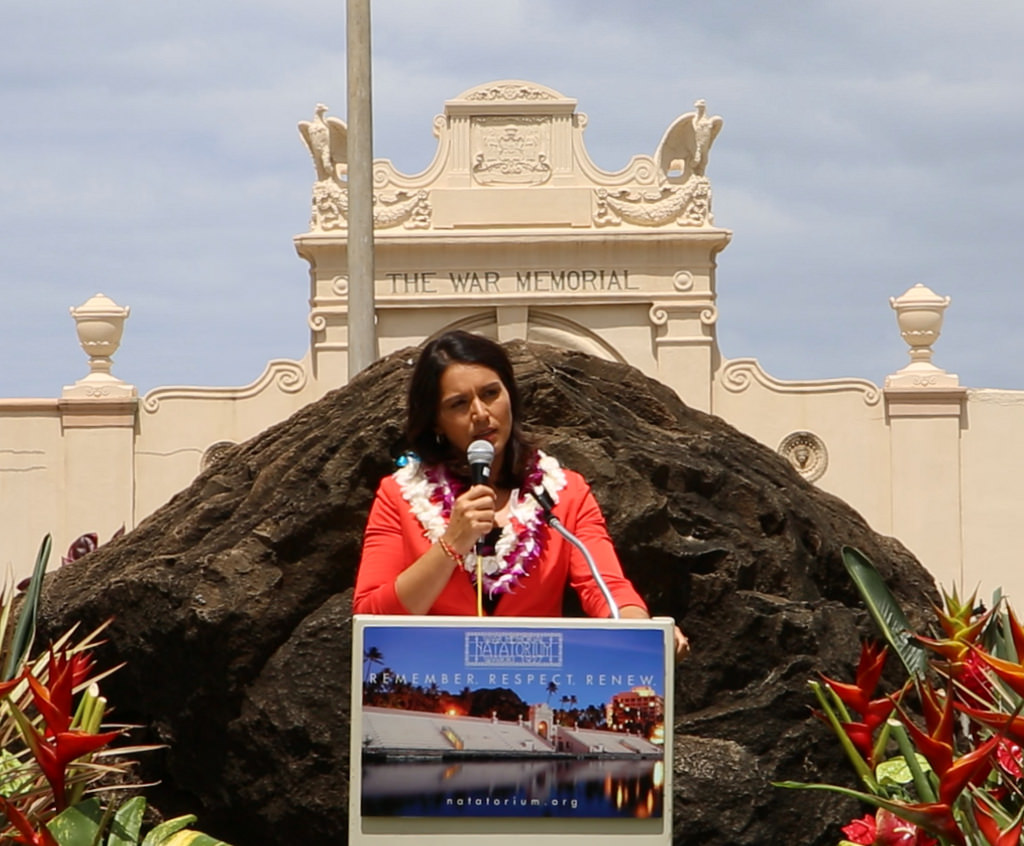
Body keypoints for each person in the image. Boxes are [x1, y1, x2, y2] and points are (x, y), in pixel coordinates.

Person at [353, 330, 689, 658]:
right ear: (436, 423)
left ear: (510, 395)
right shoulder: (397, 495)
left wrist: (645, 634)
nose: (481, 414)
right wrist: (451, 543)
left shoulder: (564, 493)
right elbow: (370, 618)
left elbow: (605, 588)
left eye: (490, 394)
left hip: (535, 691)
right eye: (458, 404)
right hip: (433, 693)